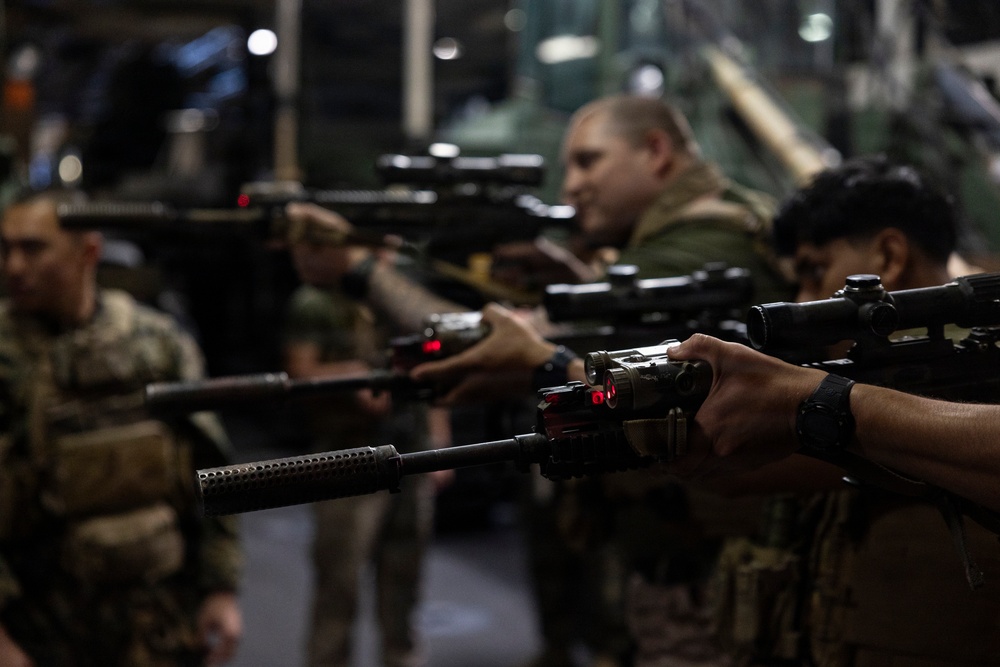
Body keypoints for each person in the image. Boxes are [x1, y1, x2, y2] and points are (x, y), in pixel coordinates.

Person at [630, 155, 1000, 667]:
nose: (803, 298)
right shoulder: (879, 375)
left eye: (814, 271)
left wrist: (817, 402)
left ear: (888, 256)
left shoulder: (970, 371)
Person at [0, 191, 243, 666]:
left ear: (88, 251)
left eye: (33, 248)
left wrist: (221, 588)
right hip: (39, 630)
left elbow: (210, 467)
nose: (13, 266)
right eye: (5, 248)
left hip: (155, 625)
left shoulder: (156, 343)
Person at [281, 283, 450, 667]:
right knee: (339, 581)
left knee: (405, 576)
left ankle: (401, 657)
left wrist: (441, 435)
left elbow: (436, 368)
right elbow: (298, 370)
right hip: (346, 459)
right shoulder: (319, 302)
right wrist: (355, 377)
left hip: (411, 454)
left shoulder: (404, 294)